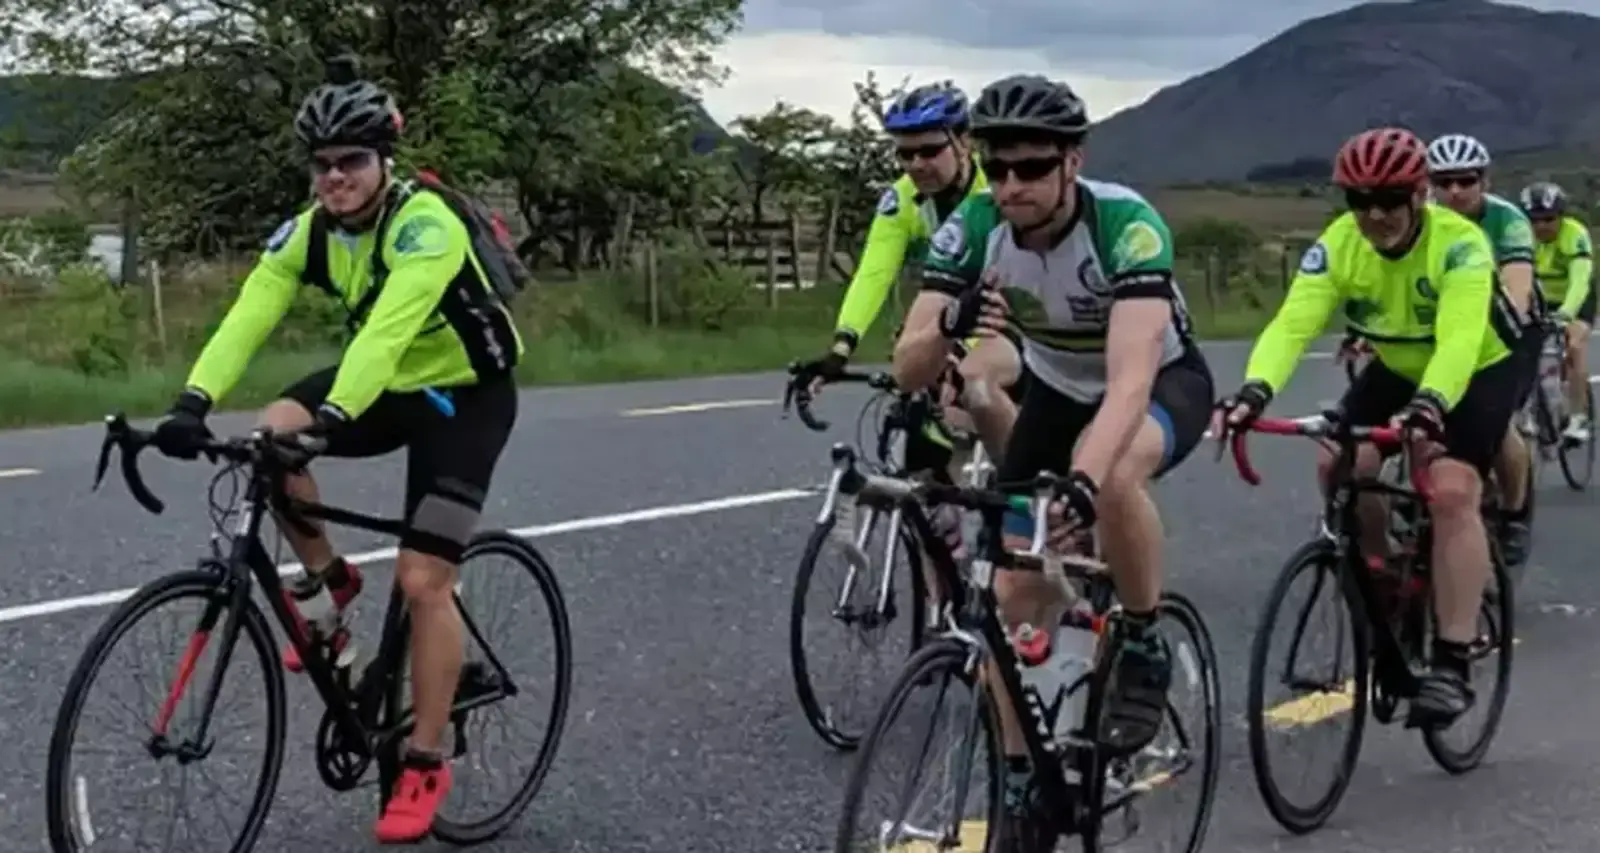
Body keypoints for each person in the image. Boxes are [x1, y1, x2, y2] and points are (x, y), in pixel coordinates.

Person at [147, 75, 523, 843]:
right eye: (321, 164)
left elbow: (387, 330)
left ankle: (425, 757)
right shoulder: (309, 230)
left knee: (425, 579)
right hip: (380, 384)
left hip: (464, 396)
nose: (335, 178)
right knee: (268, 435)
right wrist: (191, 400)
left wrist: (337, 415)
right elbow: (252, 308)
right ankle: (329, 582)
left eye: (351, 160)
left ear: (384, 158)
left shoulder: (425, 226)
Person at [892, 74, 1213, 850]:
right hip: (1058, 389)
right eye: (998, 169)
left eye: (1032, 168)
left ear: (1073, 161)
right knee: (1005, 596)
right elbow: (908, 365)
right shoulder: (971, 228)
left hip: (1157, 384)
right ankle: (1022, 779)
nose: (1011, 186)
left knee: (1114, 478)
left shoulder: (1126, 227)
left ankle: (1140, 635)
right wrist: (951, 325)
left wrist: (1083, 479)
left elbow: (1132, 382)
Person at [1219, 127, 1518, 730]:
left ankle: (1453, 659)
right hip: (1397, 363)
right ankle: (1381, 579)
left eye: (1389, 199)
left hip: (1475, 369)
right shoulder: (1339, 246)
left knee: (1454, 489)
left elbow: (1460, 338)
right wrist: (1254, 390)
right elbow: (1291, 325)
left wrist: (1432, 404)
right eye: (1359, 201)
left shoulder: (1459, 245)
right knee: (1337, 461)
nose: (1374, 214)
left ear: (1419, 195)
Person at [1424, 133, 1538, 567]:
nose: (1454, 191)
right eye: (1444, 181)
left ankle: (1514, 514)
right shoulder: (1425, 220)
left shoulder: (1507, 220)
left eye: (1465, 181)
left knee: (1500, 421)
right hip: (1448, 323)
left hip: (1508, 325)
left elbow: (1516, 291)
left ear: (1484, 181)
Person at [1521, 180, 1593, 442]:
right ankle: (1530, 409)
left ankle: (1578, 418)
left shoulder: (1574, 234)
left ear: (1561, 216)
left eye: (1549, 219)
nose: (1541, 226)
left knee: (1574, 346)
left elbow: (1580, 279)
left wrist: (1566, 313)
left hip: (1575, 297)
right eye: (1534, 220)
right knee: (1521, 348)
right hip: (1540, 299)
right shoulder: (1522, 236)